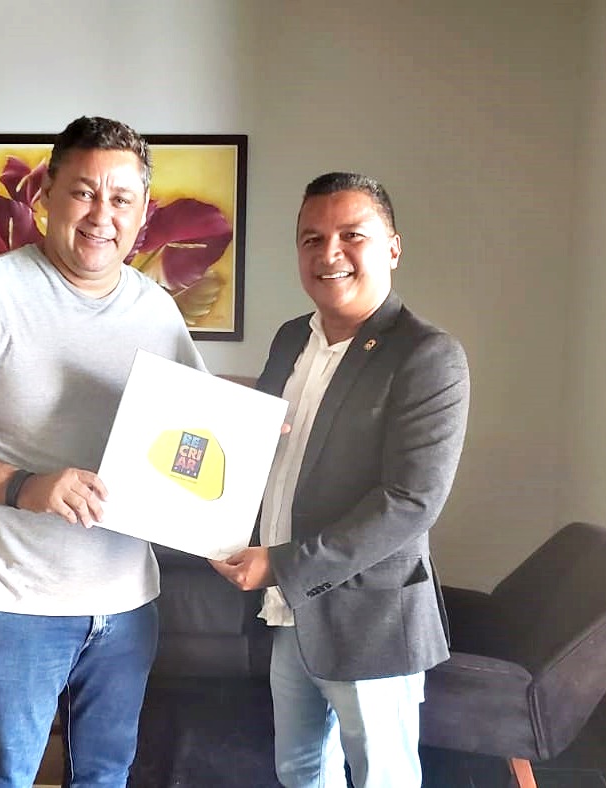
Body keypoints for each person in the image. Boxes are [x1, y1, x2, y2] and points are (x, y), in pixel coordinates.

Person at [0, 116, 206, 788]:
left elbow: (194, 428)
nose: (101, 215)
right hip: (12, 601)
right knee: (4, 776)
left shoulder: (156, 308)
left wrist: (257, 426)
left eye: (121, 198)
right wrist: (24, 485)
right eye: (83, 192)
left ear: (143, 214)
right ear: (46, 197)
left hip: (127, 600)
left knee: (106, 775)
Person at [210, 172, 469, 788]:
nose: (329, 254)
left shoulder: (428, 355)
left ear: (392, 248)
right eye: (312, 238)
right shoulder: (290, 339)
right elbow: (263, 448)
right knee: (299, 769)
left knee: (382, 777)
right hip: (289, 612)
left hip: (369, 618)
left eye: (352, 235)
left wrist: (282, 564)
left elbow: (410, 502)